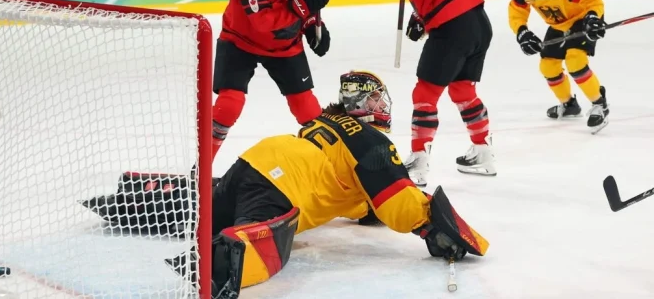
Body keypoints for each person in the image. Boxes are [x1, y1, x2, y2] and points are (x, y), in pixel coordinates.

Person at [81, 71, 489, 298]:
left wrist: (368, 213)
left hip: (256, 160)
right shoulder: (373, 141)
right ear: (368, 107)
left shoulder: (323, 121)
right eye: (379, 102)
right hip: (282, 185)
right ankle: (217, 264)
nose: (383, 110)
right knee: (266, 236)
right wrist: (431, 227)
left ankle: (131, 201)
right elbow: (396, 200)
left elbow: (353, 196)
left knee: (201, 208)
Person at [380, 0, 496, 187]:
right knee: (462, 90)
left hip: (453, 27)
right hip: (476, 22)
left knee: (425, 93)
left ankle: (418, 162)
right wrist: (420, 16)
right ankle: (483, 152)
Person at [212, 0, 330, 159]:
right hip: (240, 39)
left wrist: (311, 25)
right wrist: (304, 6)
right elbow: (263, 22)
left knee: (307, 109)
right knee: (229, 105)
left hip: (286, 45)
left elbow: (305, 5)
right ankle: (201, 166)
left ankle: (328, 164)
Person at [509, 0, 609, 133]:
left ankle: (600, 104)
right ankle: (569, 105)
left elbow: (593, 1)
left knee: (575, 60)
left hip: (582, 19)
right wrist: (522, 32)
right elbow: (517, 11)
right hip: (559, 24)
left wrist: (593, 18)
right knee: (548, 66)